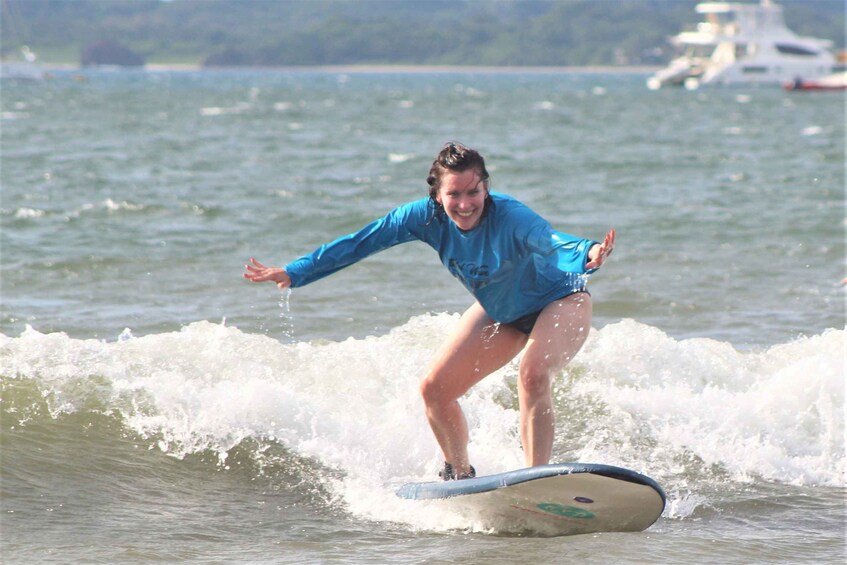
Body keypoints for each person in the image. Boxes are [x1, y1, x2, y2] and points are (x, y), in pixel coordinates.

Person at [244, 142, 615, 480]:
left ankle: (538, 480)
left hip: (561, 300)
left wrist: (588, 253)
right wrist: (297, 271)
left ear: (486, 187)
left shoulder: (510, 216)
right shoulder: (422, 217)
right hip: (501, 312)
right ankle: (459, 472)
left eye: (474, 192)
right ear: (437, 195)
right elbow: (362, 242)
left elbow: (549, 242)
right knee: (435, 391)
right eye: (454, 194)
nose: (466, 204)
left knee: (532, 375)